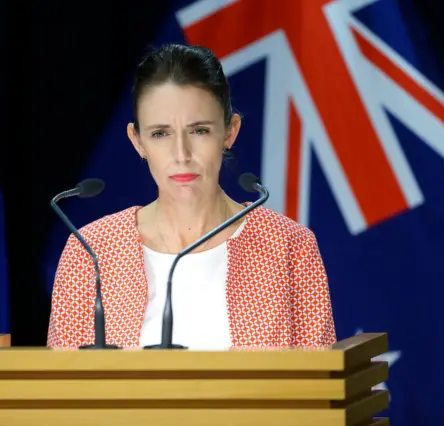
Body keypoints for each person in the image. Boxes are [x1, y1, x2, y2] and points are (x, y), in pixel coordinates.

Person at [47, 44, 336, 350]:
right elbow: (63, 390)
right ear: (138, 141)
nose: (181, 154)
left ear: (230, 131)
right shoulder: (92, 251)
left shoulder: (289, 247)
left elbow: (319, 388)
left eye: (199, 131)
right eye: (160, 133)